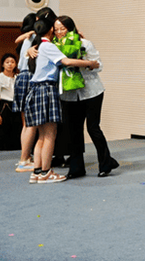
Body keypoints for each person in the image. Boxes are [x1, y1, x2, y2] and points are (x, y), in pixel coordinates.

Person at [23, 19, 99, 184]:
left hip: (35, 89)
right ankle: (46, 172)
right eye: (55, 28)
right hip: (46, 90)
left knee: (41, 136)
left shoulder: (41, 46)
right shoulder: (49, 46)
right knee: (50, 134)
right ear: (50, 29)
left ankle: (37, 172)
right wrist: (90, 63)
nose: (58, 31)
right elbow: (67, 61)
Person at [54, 16, 119, 179]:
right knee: (73, 131)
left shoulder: (85, 44)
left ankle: (106, 163)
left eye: (62, 28)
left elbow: (99, 65)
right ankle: (76, 168)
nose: (59, 32)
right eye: (56, 29)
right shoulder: (54, 47)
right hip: (69, 94)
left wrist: (83, 62)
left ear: (70, 28)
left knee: (93, 128)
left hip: (91, 92)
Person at [13, 13, 38, 172]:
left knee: (25, 123)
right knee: (31, 123)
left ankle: (25, 156)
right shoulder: (33, 36)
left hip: (21, 77)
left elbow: (16, 40)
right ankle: (24, 160)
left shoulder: (26, 37)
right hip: (29, 76)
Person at [0, 53, 21, 151]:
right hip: (4, 107)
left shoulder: (18, 77)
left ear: (16, 64)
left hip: (16, 107)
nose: (10, 64)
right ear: (3, 64)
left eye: (12, 62)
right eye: (7, 62)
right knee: (3, 133)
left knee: (16, 132)